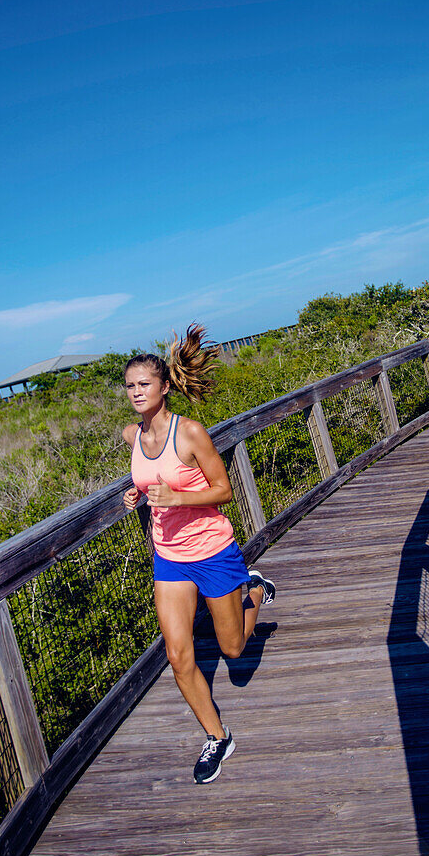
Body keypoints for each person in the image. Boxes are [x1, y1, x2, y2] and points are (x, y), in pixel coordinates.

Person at [121, 324, 276, 784]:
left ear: (165, 387)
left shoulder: (189, 434)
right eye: (129, 386)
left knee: (233, 649)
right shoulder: (133, 435)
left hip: (212, 550)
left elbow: (224, 490)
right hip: (169, 557)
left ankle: (255, 591)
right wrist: (138, 494)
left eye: (144, 384)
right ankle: (217, 737)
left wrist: (179, 500)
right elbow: (147, 476)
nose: (135, 392)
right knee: (177, 654)